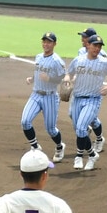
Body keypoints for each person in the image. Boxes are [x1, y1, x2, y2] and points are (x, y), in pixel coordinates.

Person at [64, 33, 107, 171]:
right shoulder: (78, 60)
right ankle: (92, 154)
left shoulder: (104, 63)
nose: (97, 49)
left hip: (93, 100)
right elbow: (69, 73)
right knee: (79, 131)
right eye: (95, 45)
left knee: (81, 128)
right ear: (88, 45)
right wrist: (67, 79)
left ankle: (79, 157)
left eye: (99, 46)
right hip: (77, 99)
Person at [19, 32, 68, 163]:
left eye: (49, 42)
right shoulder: (39, 57)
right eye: (44, 41)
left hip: (50, 97)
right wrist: (32, 78)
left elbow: (62, 78)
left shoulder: (57, 61)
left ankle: (59, 147)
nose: (46, 44)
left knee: (51, 129)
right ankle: (35, 147)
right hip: (35, 94)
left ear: (54, 44)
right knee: (25, 121)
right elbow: (38, 72)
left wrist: (50, 78)